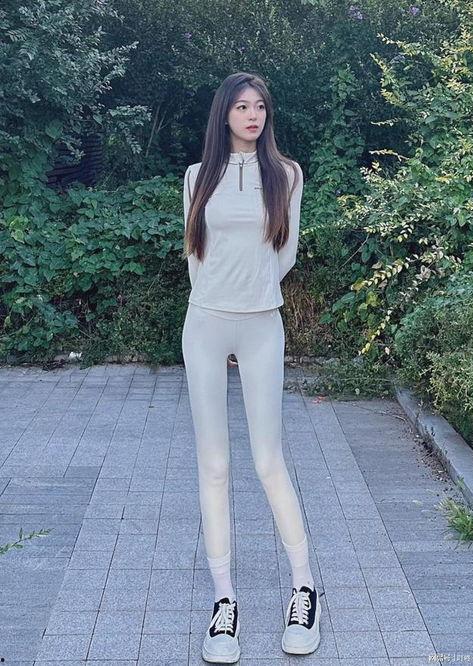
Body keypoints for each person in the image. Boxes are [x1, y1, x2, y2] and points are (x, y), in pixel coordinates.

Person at [181, 71, 321, 663]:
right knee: (213, 465)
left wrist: (255, 292)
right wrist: (217, 298)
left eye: (260, 106)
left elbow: (285, 253)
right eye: (241, 106)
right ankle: (224, 603)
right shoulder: (197, 176)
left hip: (262, 323)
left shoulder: (286, 174)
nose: (252, 115)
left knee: (268, 461)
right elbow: (195, 252)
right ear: (225, 114)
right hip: (205, 325)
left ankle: (304, 590)